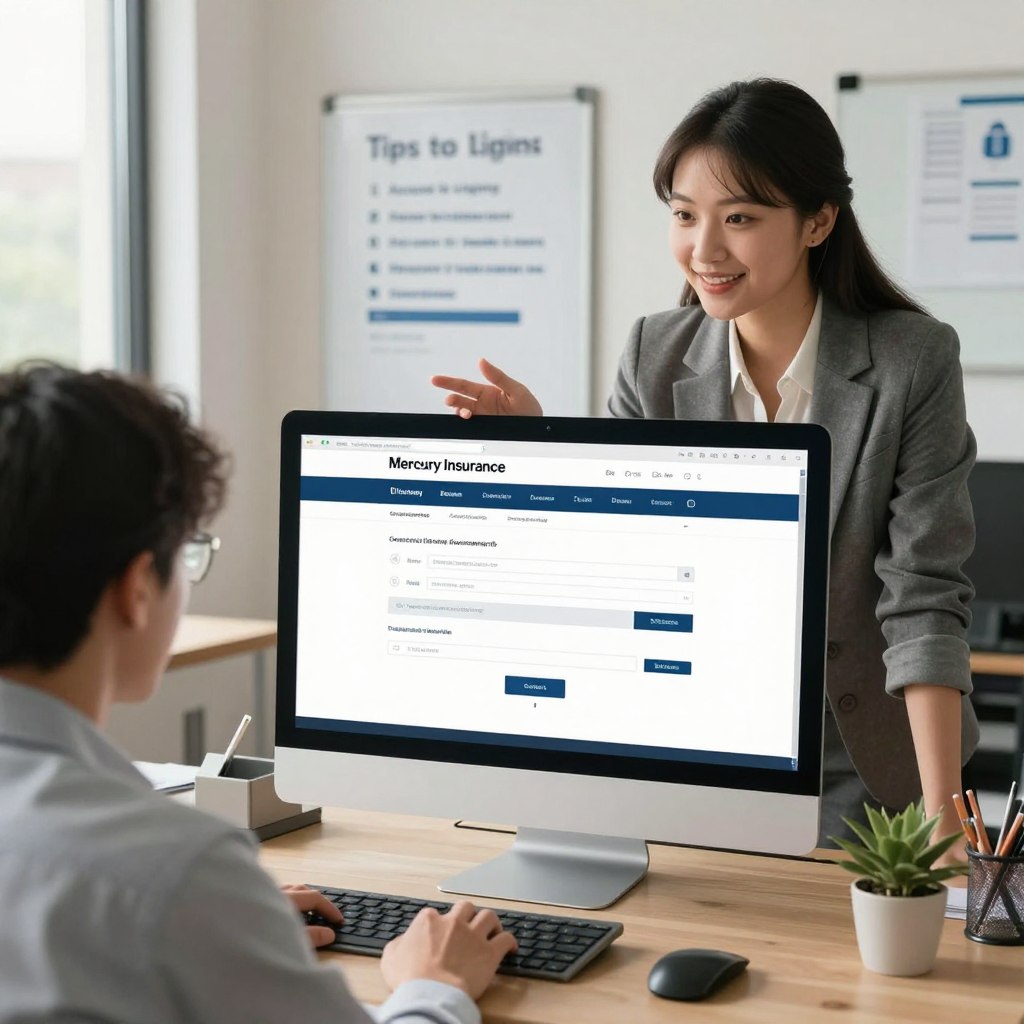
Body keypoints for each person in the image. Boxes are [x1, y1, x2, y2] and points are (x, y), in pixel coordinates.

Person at [431, 78, 978, 852]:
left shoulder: (910, 360)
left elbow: (921, 596)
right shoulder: (654, 354)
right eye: (685, 216)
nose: (704, 250)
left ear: (819, 221)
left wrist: (943, 815)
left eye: (741, 218)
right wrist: (539, 446)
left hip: (864, 755)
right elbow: (616, 560)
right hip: (697, 738)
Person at [0, 363, 515, 1024]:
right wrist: (433, 985)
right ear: (135, 589)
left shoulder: (182, 888)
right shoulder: (176, 872)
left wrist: (233, 934)